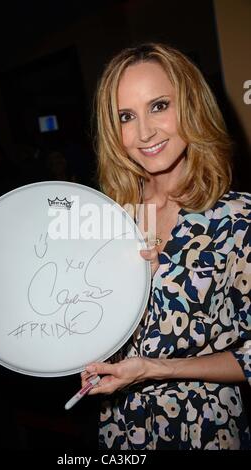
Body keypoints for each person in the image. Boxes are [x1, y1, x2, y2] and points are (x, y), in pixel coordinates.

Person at [81, 43, 251, 450]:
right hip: (121, 426)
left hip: (204, 426)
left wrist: (156, 369)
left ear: (191, 106)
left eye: (159, 106)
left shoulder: (239, 219)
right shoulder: (110, 216)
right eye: (126, 116)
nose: (144, 133)